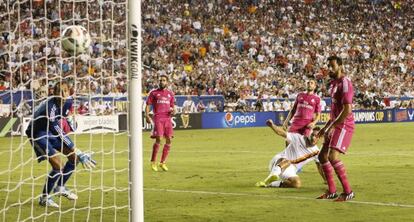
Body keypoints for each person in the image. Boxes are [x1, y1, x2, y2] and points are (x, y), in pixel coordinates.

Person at [25, 81, 96, 208]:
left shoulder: (68, 103)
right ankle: (44, 198)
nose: (62, 94)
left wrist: (69, 122)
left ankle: (60, 187)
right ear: (54, 93)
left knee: (73, 158)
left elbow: (63, 120)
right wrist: (77, 150)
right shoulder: (50, 107)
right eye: (59, 92)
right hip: (38, 134)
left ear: (69, 92)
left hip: (50, 132)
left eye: (65, 91)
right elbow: (59, 132)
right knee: (58, 165)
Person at [317, 56, 355, 201]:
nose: (329, 69)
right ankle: (332, 191)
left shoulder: (345, 83)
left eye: (332, 65)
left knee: (333, 156)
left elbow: (346, 110)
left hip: (344, 124)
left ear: (340, 65)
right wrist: (325, 127)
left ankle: (348, 192)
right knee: (322, 156)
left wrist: (332, 126)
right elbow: (334, 110)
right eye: (328, 66)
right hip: (334, 124)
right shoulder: (333, 84)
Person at [255, 119, 325, 188]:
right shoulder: (299, 138)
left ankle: (271, 184)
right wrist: (272, 125)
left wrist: (326, 180)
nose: (313, 138)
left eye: (316, 136)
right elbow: (282, 133)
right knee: (288, 161)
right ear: (309, 134)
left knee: (296, 184)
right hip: (278, 161)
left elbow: (319, 167)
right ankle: (270, 177)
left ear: (320, 138)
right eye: (312, 135)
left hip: (290, 169)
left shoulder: (316, 152)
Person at [145, 74, 175, 172]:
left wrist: (173, 111)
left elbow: (172, 107)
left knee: (169, 140)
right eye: (160, 80)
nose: (161, 82)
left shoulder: (170, 94)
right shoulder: (153, 93)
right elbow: (148, 105)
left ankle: (162, 162)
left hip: (167, 118)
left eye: (163, 80)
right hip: (158, 118)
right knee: (159, 139)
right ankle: (153, 162)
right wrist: (147, 115)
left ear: (167, 82)